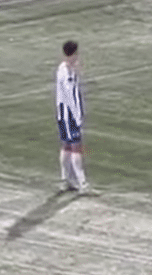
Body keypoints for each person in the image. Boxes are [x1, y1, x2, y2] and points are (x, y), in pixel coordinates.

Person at [56, 40, 90, 193]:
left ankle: (66, 180)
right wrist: (77, 116)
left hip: (64, 113)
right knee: (75, 147)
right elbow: (70, 96)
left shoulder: (65, 69)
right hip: (68, 114)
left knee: (67, 146)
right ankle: (81, 183)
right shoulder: (66, 72)